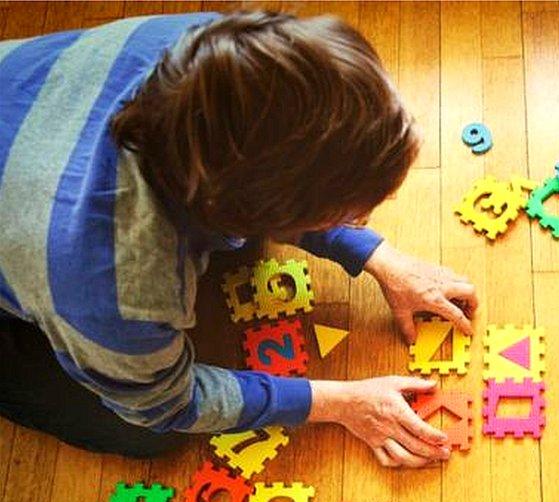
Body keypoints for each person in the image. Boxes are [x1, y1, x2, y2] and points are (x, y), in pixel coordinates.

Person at [0, 11, 477, 468]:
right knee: (144, 433)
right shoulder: (114, 289)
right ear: (253, 209)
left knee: (244, 252)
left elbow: (287, 163)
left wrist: (377, 256)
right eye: (352, 212)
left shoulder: (226, 56)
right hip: (52, 259)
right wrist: (343, 402)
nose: (365, 218)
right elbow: (166, 404)